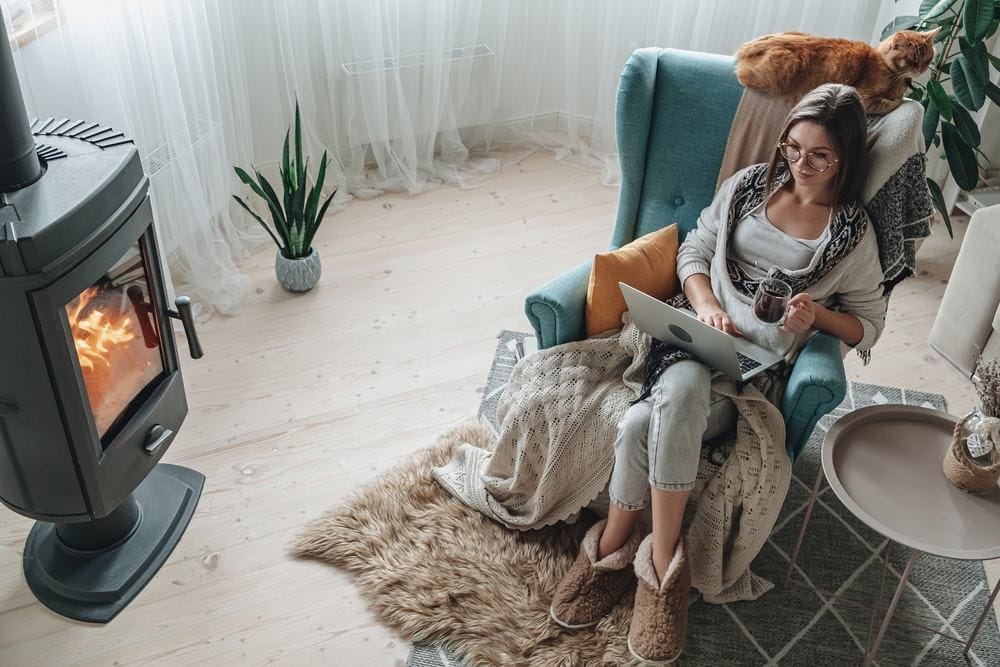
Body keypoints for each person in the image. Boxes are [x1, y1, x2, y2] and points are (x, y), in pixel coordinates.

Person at [547, 83, 888, 664]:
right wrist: (705, 305)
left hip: (752, 375)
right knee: (679, 385)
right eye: (793, 147)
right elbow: (694, 252)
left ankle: (612, 551)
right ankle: (660, 568)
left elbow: (869, 324)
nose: (800, 164)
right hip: (692, 333)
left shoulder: (850, 235)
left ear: (846, 160)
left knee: (636, 428)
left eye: (820, 156)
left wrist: (817, 314)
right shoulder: (749, 187)